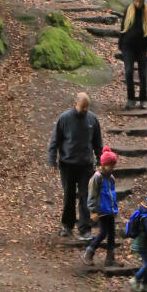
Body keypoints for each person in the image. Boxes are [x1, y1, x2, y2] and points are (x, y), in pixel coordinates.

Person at [48, 93, 103, 241]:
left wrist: (100, 160)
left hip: (86, 165)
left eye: (87, 107)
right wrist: (52, 161)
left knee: (86, 197)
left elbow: (97, 142)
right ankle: (67, 225)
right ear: (75, 104)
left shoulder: (92, 119)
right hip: (67, 165)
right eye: (82, 106)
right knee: (69, 195)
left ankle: (85, 229)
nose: (85, 109)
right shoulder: (64, 119)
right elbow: (54, 141)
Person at [83, 149, 119, 265]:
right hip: (101, 210)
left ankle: (110, 259)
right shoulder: (97, 177)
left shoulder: (111, 178)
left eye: (114, 165)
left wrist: (114, 208)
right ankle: (89, 252)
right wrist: (93, 211)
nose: (112, 168)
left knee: (112, 234)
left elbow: (112, 195)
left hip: (110, 210)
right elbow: (92, 195)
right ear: (104, 165)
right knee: (103, 233)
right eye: (110, 166)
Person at [119, 0, 147, 109]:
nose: (138, 3)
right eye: (136, 1)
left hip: (143, 48)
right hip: (128, 47)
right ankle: (131, 98)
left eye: (140, 1)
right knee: (128, 72)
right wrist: (121, 45)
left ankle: (143, 99)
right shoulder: (128, 10)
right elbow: (123, 28)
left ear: (143, 2)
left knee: (143, 74)